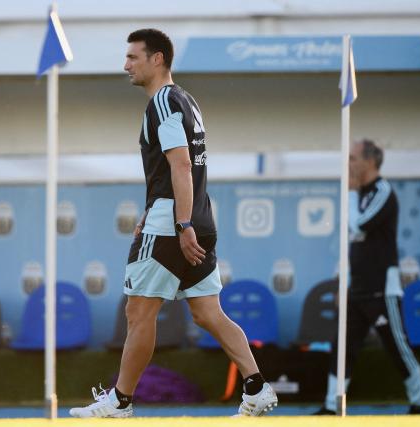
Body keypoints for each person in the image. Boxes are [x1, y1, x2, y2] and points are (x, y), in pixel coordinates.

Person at [69, 28, 278, 418]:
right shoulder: (186, 99)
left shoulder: (163, 101)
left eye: (133, 57)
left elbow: (181, 163)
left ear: (157, 59)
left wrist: (180, 225)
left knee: (138, 313)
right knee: (207, 313)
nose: (126, 64)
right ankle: (256, 387)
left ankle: (120, 400)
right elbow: (177, 170)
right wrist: (163, 214)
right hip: (198, 216)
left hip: (176, 223)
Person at [314, 139, 420, 415]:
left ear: (370, 161)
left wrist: (351, 194)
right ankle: (332, 406)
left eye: (353, 158)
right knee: (342, 347)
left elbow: (361, 223)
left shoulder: (383, 191)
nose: (349, 164)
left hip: (382, 288)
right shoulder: (359, 194)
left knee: (397, 346)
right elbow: (351, 239)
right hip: (357, 288)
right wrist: (342, 282)